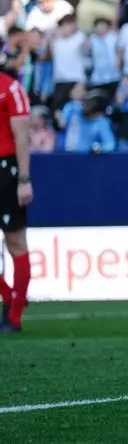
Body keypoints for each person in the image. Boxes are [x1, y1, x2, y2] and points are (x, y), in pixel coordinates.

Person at [0, 58, 33, 334]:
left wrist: (24, 179)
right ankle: (9, 295)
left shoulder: (10, 89)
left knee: (15, 241)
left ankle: (15, 315)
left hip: (6, 170)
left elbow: (22, 136)